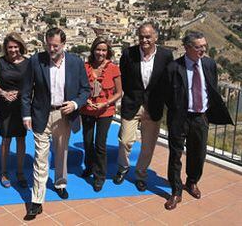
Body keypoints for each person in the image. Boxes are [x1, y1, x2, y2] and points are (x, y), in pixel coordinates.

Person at [22, 27, 90, 220]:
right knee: (40, 157)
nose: (51, 49)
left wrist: (75, 103)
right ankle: (37, 200)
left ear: (63, 45)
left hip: (64, 114)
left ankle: (60, 183)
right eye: (48, 45)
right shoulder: (36, 60)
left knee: (62, 152)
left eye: (55, 46)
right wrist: (26, 115)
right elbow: (27, 91)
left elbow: (85, 90)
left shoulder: (76, 63)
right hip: (41, 115)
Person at [163, 31, 233, 210]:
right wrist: (177, 109)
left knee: (199, 153)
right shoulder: (173, 67)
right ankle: (176, 191)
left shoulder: (209, 64)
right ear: (187, 48)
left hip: (201, 117)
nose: (203, 50)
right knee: (175, 155)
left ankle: (192, 182)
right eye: (198, 47)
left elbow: (211, 87)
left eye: (204, 46)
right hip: (180, 117)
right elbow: (167, 94)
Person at [114, 22, 173, 192]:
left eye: (148, 37)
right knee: (125, 140)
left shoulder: (165, 55)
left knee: (148, 146)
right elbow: (122, 78)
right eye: (141, 37)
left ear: (155, 37)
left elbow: (169, 81)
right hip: (132, 105)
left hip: (153, 107)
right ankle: (123, 168)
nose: (144, 40)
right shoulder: (128, 54)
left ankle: (140, 174)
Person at [80, 37, 122, 192]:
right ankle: (89, 166)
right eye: (98, 49)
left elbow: (119, 92)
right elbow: (79, 87)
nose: (101, 53)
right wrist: (85, 100)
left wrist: (105, 103)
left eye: (104, 50)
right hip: (87, 110)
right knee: (87, 141)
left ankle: (99, 176)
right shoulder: (85, 67)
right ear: (93, 50)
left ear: (108, 52)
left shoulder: (113, 68)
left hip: (106, 111)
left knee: (100, 144)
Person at [0, 33, 29, 188]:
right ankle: (4, 172)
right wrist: (3, 93)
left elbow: (30, 84)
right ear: (5, 48)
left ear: (20, 46)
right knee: (6, 138)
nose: (13, 50)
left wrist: (18, 93)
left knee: (21, 138)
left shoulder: (28, 63)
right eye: (10, 47)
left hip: (22, 103)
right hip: (5, 104)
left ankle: (20, 172)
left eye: (15, 46)